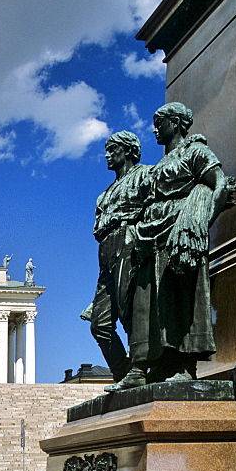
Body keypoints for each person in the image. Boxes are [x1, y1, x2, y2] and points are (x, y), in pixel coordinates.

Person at [107, 103, 232, 390]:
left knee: (181, 298)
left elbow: (220, 184)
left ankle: (185, 365)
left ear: (175, 123)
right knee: (148, 304)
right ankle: (143, 366)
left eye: (159, 122)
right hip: (152, 237)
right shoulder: (160, 164)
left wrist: (199, 224)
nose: (154, 129)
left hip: (179, 234)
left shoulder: (195, 151)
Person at [87, 131, 150, 383]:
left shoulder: (145, 175)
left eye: (113, 149)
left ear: (129, 151)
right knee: (99, 324)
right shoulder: (104, 194)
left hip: (130, 241)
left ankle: (138, 369)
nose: (107, 155)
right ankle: (123, 372)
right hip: (106, 249)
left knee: (130, 310)